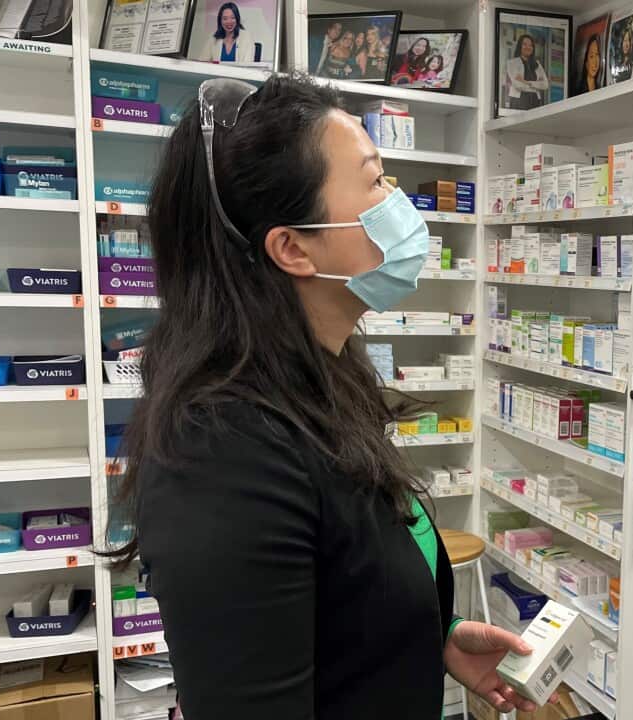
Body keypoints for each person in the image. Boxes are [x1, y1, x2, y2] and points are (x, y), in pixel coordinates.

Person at [109, 73, 541, 718]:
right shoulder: (223, 452)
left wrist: (426, 638)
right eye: (372, 183)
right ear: (293, 248)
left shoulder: (324, 380)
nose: (398, 201)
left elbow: (335, 590)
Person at [505, 34, 548, 110]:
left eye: (530, 45)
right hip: (519, 101)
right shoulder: (512, 63)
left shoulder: (537, 64)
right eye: (524, 44)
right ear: (519, 46)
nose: (528, 47)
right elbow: (518, 85)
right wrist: (536, 85)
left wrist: (526, 82)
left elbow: (545, 85)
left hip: (535, 101)